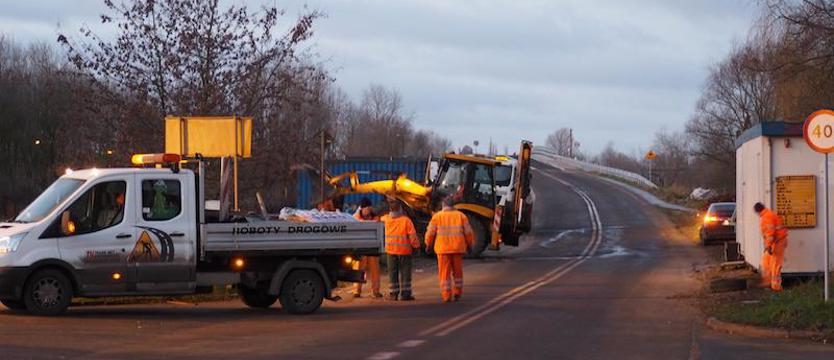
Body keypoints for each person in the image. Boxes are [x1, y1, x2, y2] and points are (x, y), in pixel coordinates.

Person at [424, 196, 474, 302]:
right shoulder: (461, 216)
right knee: (457, 272)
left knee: (444, 273)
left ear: (443, 205)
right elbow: (468, 233)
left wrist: (428, 245)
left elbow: (430, 233)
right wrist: (470, 245)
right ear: (453, 205)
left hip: (443, 249)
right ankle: (457, 293)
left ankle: (446, 295)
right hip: (457, 248)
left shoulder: (437, 217)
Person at [381, 198, 420, 301]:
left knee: (392, 273)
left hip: (390, 251)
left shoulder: (385, 219)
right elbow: (412, 236)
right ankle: (405, 294)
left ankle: (393, 294)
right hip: (404, 252)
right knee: (405, 272)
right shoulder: (406, 221)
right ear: (400, 209)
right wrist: (416, 247)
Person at [352, 198, 382, 299]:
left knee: (375, 270)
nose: (368, 210)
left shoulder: (376, 218)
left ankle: (376, 291)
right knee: (359, 269)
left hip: (372, 248)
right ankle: (357, 291)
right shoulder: (355, 218)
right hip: (360, 248)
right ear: (362, 208)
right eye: (366, 208)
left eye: (369, 208)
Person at [755, 202, 788, 291]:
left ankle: (776, 286)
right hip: (776, 242)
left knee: (775, 264)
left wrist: (768, 246)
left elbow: (770, 233)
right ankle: (768, 282)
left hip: (777, 242)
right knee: (767, 262)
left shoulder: (766, 217)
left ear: (758, 211)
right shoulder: (768, 214)